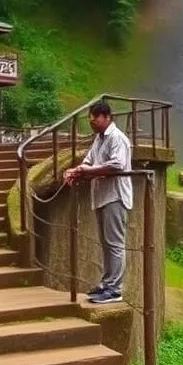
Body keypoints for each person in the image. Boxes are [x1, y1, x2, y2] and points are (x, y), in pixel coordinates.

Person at [63, 101, 132, 304]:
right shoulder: (99, 139)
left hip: (115, 196)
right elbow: (89, 160)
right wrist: (77, 170)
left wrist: (86, 171)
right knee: (106, 243)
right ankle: (106, 283)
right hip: (102, 196)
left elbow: (117, 164)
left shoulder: (117, 138)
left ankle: (115, 289)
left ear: (107, 117)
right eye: (90, 120)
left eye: (95, 120)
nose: (92, 123)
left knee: (115, 244)